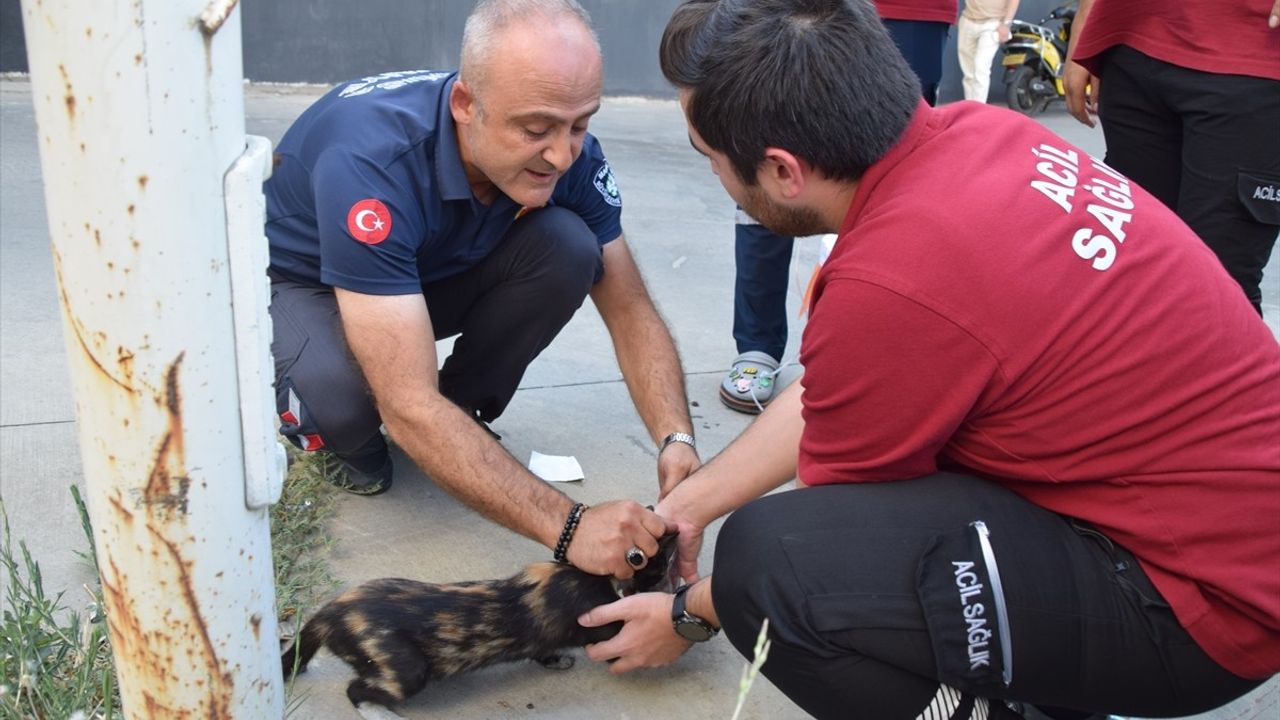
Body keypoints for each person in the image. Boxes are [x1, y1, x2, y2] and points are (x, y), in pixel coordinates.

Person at [577, 1, 1280, 718]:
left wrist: (689, 613)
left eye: (710, 156)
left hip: (1200, 613)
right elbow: (833, 398)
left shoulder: (894, 280)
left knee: (770, 567)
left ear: (783, 170)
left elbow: (833, 553)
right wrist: (685, 509)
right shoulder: (984, 133)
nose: (714, 174)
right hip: (1233, 534)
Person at [263, 0, 693, 579]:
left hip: (417, 269)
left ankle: (460, 408)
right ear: (465, 105)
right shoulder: (370, 163)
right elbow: (406, 402)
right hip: (310, 283)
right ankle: (341, 430)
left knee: (570, 247)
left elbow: (630, 307)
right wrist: (569, 526)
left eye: (580, 124)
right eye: (536, 130)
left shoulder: (567, 150)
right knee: (346, 410)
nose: (561, 154)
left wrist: (675, 437)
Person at [720, 0, 958, 414]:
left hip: (909, 11)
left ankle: (861, 347)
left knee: (894, 178)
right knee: (766, 162)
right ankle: (757, 344)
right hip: (789, 11)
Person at [1064, 0, 1280, 315]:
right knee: (1129, 277)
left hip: (1251, 54)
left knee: (1217, 292)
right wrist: (1087, 21)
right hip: (1131, 41)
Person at [957, 0, 1020, 102]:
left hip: (993, 23)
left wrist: (1006, 24)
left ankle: (978, 109)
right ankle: (970, 108)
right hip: (967, 20)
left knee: (981, 69)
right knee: (968, 73)